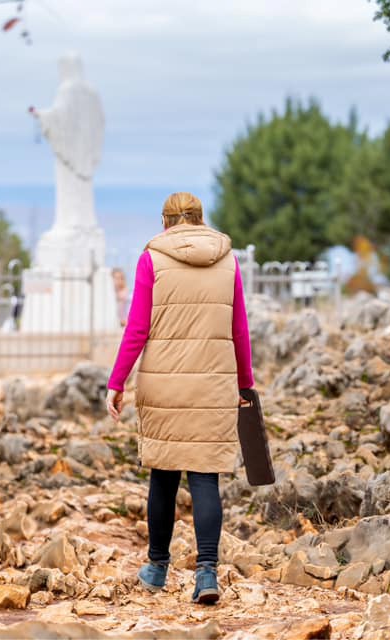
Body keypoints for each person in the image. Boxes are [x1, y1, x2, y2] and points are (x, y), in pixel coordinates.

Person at [105, 192, 254, 605]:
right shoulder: (228, 260)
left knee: (164, 476)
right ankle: (206, 573)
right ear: (201, 220)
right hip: (213, 383)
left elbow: (137, 328)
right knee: (206, 477)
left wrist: (116, 382)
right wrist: (245, 383)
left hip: (164, 383)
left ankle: (156, 568)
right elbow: (238, 328)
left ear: (166, 222)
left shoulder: (152, 258)